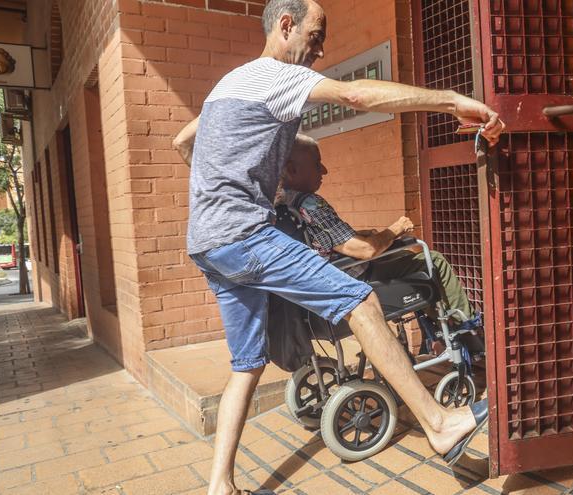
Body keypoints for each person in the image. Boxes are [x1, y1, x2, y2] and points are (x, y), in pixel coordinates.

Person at [172, 1, 504, 493]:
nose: (321, 49)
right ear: (285, 27)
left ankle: (220, 485)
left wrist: (223, 193)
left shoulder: (228, 85)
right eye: (315, 35)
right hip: (243, 235)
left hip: (206, 244)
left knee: (245, 364)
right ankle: (440, 425)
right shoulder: (273, 75)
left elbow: (183, 142)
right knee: (360, 299)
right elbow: (355, 96)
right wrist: (451, 100)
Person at [277, 135, 483, 352]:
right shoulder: (310, 202)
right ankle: (467, 331)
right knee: (432, 260)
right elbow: (367, 250)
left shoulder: (281, 203)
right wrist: (396, 229)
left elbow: (321, 239)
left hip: (321, 282)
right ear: (292, 169)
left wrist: (357, 233)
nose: (324, 171)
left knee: (401, 258)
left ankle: (434, 334)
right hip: (353, 277)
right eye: (317, 164)